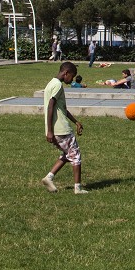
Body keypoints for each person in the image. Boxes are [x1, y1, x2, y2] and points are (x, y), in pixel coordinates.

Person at [42, 61, 87, 194]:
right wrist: (50, 131)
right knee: (76, 156)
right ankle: (77, 188)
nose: (71, 79)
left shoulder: (51, 83)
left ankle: (49, 177)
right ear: (66, 73)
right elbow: (51, 106)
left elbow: (61, 109)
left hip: (56, 129)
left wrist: (76, 121)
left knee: (68, 154)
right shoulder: (57, 86)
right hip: (60, 129)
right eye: (72, 76)